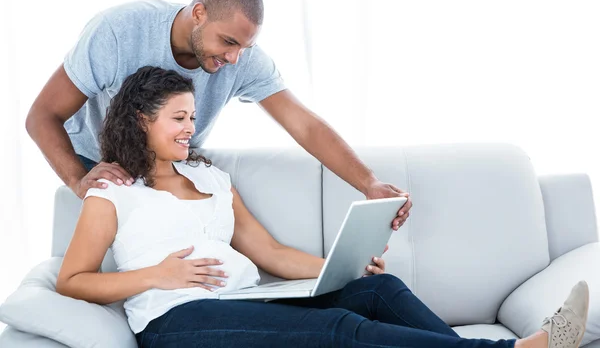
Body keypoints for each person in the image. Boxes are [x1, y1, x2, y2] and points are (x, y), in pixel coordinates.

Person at [56, 66, 589, 348]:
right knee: (336, 329)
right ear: (141, 122)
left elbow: (269, 251)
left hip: (244, 302)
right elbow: (72, 280)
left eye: (192, 117)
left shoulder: (211, 178)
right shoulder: (114, 194)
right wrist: (157, 275)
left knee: (376, 289)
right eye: (177, 118)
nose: (190, 129)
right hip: (176, 322)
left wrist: (339, 268)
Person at [25, 0, 412, 230]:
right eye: (227, 42)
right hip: (102, 164)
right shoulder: (118, 32)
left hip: (165, 172)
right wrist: (78, 180)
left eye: (246, 46)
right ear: (198, 13)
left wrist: (369, 183)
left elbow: (305, 125)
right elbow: (42, 115)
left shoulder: (239, 60)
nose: (233, 59)